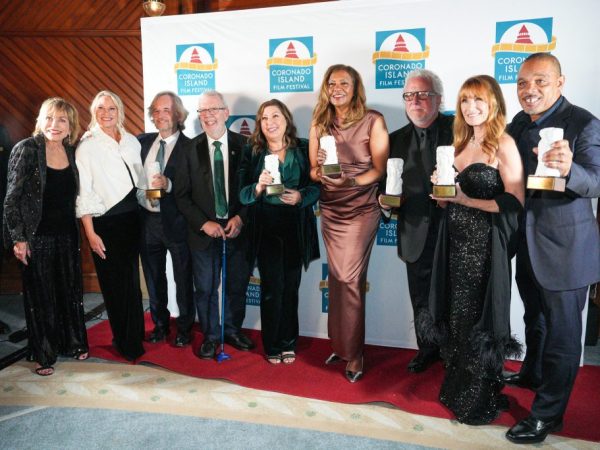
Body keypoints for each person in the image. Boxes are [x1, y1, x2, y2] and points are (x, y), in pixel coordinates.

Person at [503, 53, 600, 444]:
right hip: (527, 244)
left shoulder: (584, 123)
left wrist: (569, 169)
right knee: (535, 319)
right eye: (523, 83)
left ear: (560, 82)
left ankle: (547, 415)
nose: (530, 90)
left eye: (540, 81)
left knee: (562, 337)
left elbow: (596, 181)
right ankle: (532, 373)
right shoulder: (518, 123)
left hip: (566, 250)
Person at [425, 75, 525, 425]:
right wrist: (441, 194)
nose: (471, 107)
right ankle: (457, 386)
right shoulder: (457, 144)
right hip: (452, 242)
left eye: (479, 100)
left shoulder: (504, 144)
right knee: (456, 315)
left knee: (477, 317)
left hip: (485, 247)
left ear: (494, 103)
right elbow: (447, 202)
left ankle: (478, 394)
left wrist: (465, 199)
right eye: (465, 101)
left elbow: (514, 202)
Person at [309, 64, 389, 382]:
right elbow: (313, 172)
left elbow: (379, 170)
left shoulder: (373, 120)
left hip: (361, 208)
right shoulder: (320, 122)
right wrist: (322, 172)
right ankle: (340, 345)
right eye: (332, 83)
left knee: (350, 279)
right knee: (337, 279)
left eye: (344, 83)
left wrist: (350, 182)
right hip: (331, 208)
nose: (337, 88)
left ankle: (355, 354)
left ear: (356, 88)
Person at [3, 98, 88, 375]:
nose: (55, 125)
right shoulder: (26, 149)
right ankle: (43, 353)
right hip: (35, 236)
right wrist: (19, 238)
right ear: (41, 121)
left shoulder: (72, 152)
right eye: (50, 118)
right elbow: (11, 199)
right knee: (41, 297)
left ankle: (72, 343)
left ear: (70, 126)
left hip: (67, 235)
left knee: (69, 291)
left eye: (62, 120)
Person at [378, 69, 453, 373]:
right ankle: (427, 348)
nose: (415, 101)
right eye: (409, 95)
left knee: (456, 295)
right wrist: (384, 203)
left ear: (439, 99)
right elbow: (384, 188)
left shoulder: (461, 131)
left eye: (423, 94)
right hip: (414, 232)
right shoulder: (394, 140)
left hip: (455, 231)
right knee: (420, 296)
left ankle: (455, 352)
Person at [175, 90, 254, 360]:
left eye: (213, 109)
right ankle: (210, 336)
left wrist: (241, 217)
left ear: (226, 113)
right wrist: (203, 223)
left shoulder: (246, 146)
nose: (208, 116)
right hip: (203, 234)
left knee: (236, 286)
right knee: (206, 289)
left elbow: (254, 190)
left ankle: (231, 331)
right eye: (202, 111)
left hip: (237, 230)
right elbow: (181, 196)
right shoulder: (188, 149)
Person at [239, 99, 320, 365]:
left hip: (296, 227)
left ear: (286, 119)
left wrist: (301, 196)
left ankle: (288, 342)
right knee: (272, 288)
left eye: (275, 116)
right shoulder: (252, 151)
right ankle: (272, 344)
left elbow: (318, 186)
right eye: (264, 118)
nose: (270, 122)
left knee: (291, 288)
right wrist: (258, 187)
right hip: (266, 228)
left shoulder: (304, 148)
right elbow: (242, 194)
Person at [76, 90, 146, 361]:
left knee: (131, 282)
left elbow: (139, 180)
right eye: (101, 108)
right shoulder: (87, 145)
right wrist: (90, 233)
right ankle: (125, 342)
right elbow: (84, 192)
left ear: (120, 111)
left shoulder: (131, 141)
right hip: (106, 223)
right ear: (94, 112)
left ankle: (134, 335)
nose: (106, 113)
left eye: (111, 108)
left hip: (133, 219)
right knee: (115, 285)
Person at [138, 91, 194, 347]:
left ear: (178, 115)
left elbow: (195, 187)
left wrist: (169, 185)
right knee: (153, 278)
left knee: (183, 279)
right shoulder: (142, 142)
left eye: (166, 110)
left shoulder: (190, 147)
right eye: (156, 111)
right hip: (147, 222)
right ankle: (160, 325)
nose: (160, 115)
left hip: (178, 222)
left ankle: (184, 329)